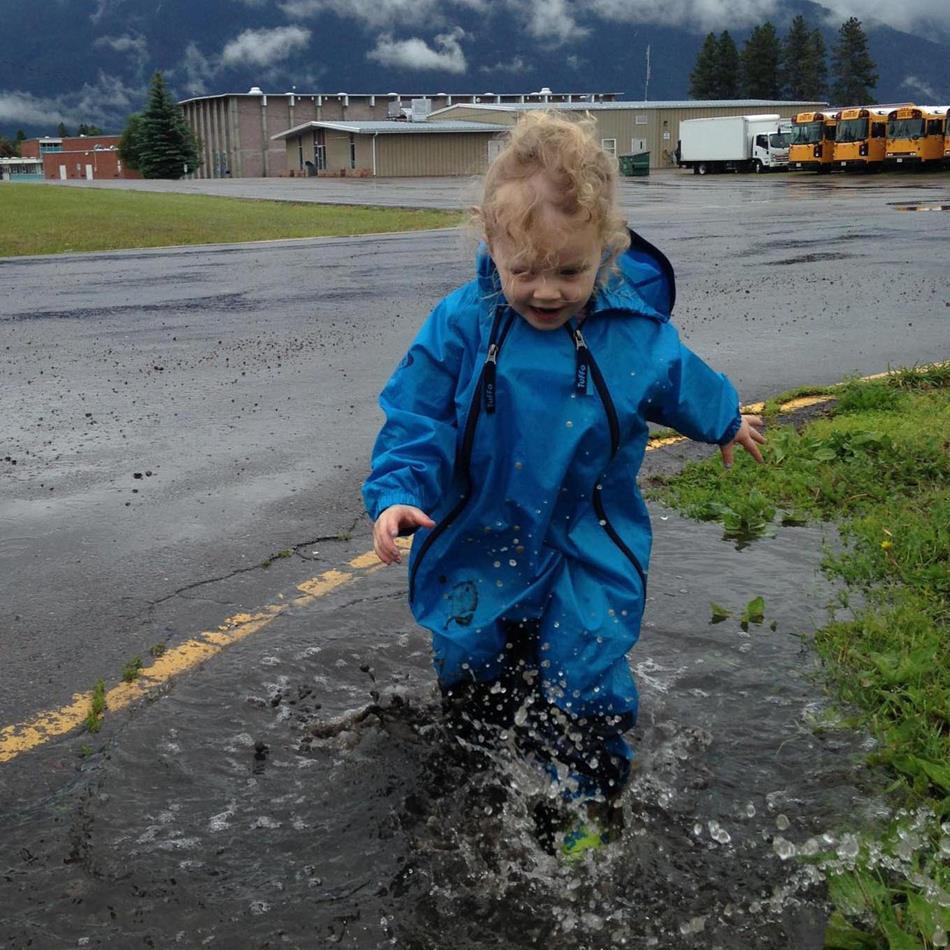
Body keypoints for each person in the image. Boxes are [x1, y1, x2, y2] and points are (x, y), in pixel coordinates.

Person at [362, 111, 764, 858]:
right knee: (470, 658)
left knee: (583, 671)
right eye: (525, 271)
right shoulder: (461, 325)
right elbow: (415, 415)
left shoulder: (634, 333)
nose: (546, 292)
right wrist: (395, 492)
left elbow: (683, 380)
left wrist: (726, 419)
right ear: (491, 244)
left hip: (588, 539)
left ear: (606, 249)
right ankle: (482, 762)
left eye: (570, 272)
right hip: (483, 531)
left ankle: (591, 799)